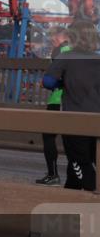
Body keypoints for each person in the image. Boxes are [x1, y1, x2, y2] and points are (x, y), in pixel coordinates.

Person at [43, 19, 100, 192]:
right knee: (91, 158)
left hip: (74, 118)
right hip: (96, 118)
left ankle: (93, 192)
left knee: (79, 161)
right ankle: (70, 192)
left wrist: (62, 83)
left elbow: (48, 81)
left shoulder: (67, 56)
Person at [38, 27, 72, 185]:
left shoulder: (60, 51)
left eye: (53, 39)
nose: (52, 42)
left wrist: (48, 82)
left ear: (60, 38)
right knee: (74, 139)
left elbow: (52, 79)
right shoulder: (78, 52)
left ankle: (53, 174)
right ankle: (76, 176)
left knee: (48, 136)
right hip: (76, 101)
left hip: (57, 100)